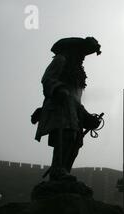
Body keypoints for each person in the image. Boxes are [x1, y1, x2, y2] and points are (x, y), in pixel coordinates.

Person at [32, 37, 102, 181]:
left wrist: (88, 118)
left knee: (75, 142)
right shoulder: (61, 60)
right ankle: (58, 170)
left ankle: (65, 171)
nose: (83, 57)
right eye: (82, 53)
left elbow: (76, 101)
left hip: (73, 111)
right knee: (65, 136)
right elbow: (47, 79)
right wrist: (58, 89)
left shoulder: (77, 74)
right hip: (59, 107)